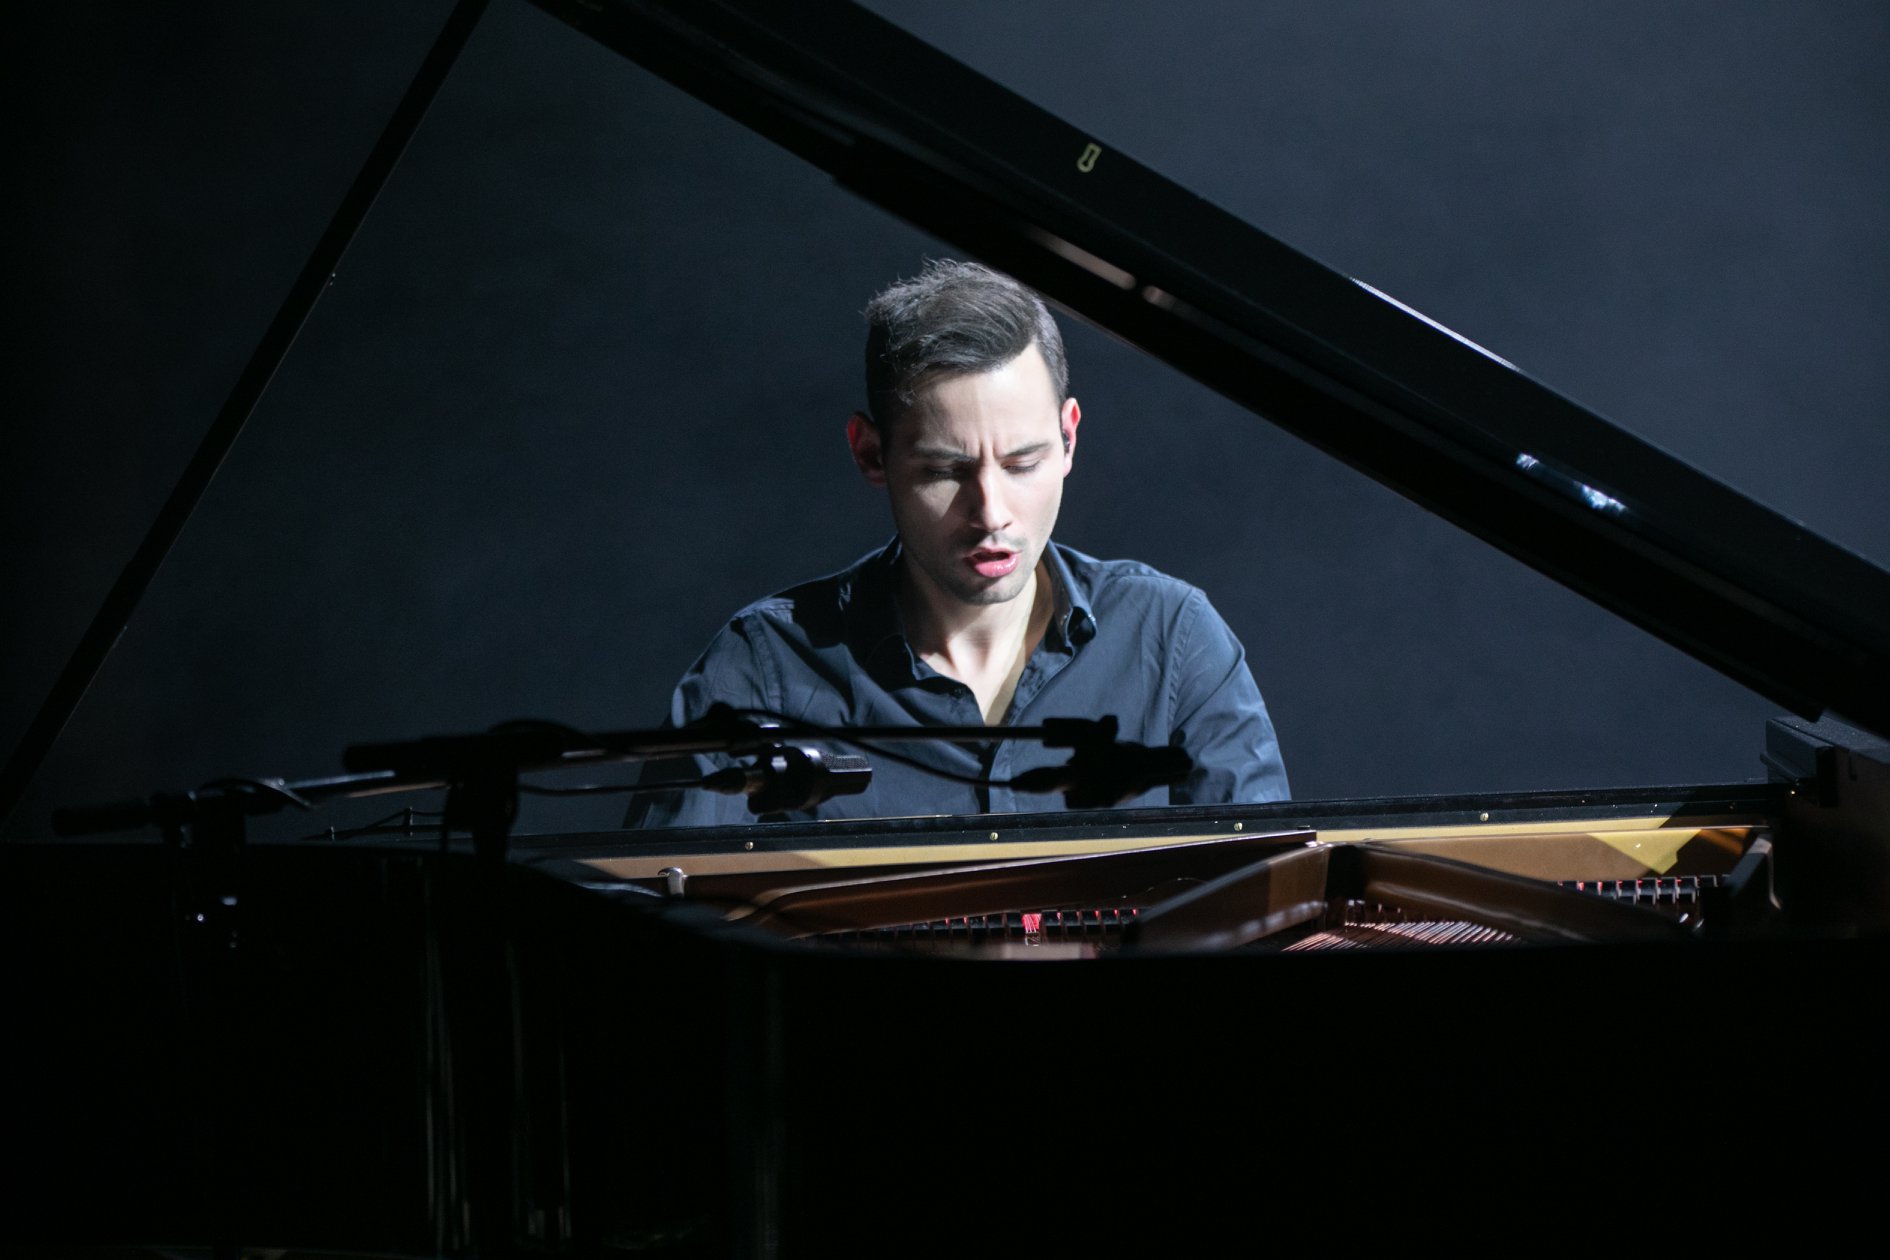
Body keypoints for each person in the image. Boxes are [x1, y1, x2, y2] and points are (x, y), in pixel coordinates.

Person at [626, 260, 1287, 826]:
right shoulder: (761, 670)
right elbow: (658, 914)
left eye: (1023, 463)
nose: (991, 513)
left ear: (1069, 438)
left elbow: (1271, 897)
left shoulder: (1172, 636)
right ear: (871, 453)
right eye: (945, 472)